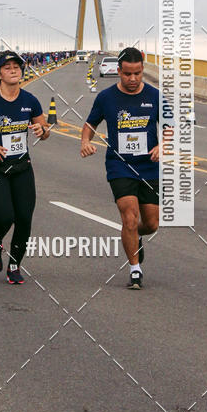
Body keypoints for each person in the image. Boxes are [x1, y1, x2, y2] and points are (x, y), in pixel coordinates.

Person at [80, 46, 161, 290]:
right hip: (120, 165)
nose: (133, 79)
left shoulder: (155, 96)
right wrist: (85, 141)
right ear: (119, 71)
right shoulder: (105, 98)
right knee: (129, 217)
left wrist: (164, 145)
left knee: (151, 224)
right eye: (127, 74)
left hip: (149, 166)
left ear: (142, 70)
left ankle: (134, 237)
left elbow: (171, 125)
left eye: (137, 73)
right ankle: (135, 269)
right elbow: (90, 123)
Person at [0, 50, 49, 284]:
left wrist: (42, 131)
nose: (13, 70)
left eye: (16, 66)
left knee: (24, 219)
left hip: (22, 168)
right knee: (5, 216)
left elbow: (44, 131)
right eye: (7, 67)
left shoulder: (30, 100)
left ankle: (14, 265)